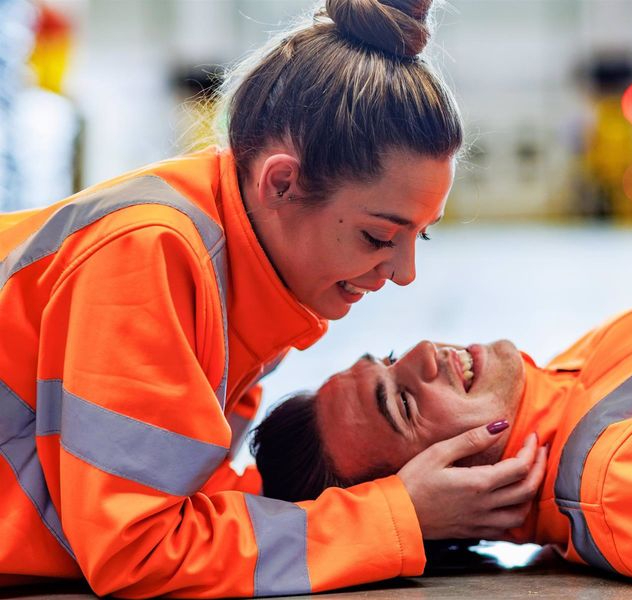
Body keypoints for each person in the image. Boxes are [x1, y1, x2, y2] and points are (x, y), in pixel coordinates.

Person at [0, 1, 541, 596]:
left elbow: (184, 507)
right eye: (379, 236)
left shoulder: (251, 286)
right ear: (280, 182)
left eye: (421, 233)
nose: (404, 273)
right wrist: (398, 515)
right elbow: (137, 550)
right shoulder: (153, 252)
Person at [254, 265, 632, 586]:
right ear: (447, 491)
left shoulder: (572, 375)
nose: (424, 352)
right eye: (404, 406)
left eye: (392, 358)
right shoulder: (621, 479)